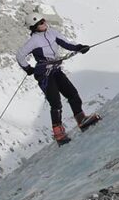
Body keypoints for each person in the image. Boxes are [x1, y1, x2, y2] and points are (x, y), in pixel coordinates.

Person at [16, 13, 100, 145]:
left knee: (72, 94)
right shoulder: (33, 42)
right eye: (40, 23)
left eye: (43, 21)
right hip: (44, 74)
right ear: (34, 27)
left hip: (55, 70)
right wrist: (28, 69)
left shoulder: (52, 33)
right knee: (55, 103)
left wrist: (79, 48)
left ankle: (81, 119)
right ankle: (58, 133)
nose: (43, 23)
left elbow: (66, 43)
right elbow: (20, 55)